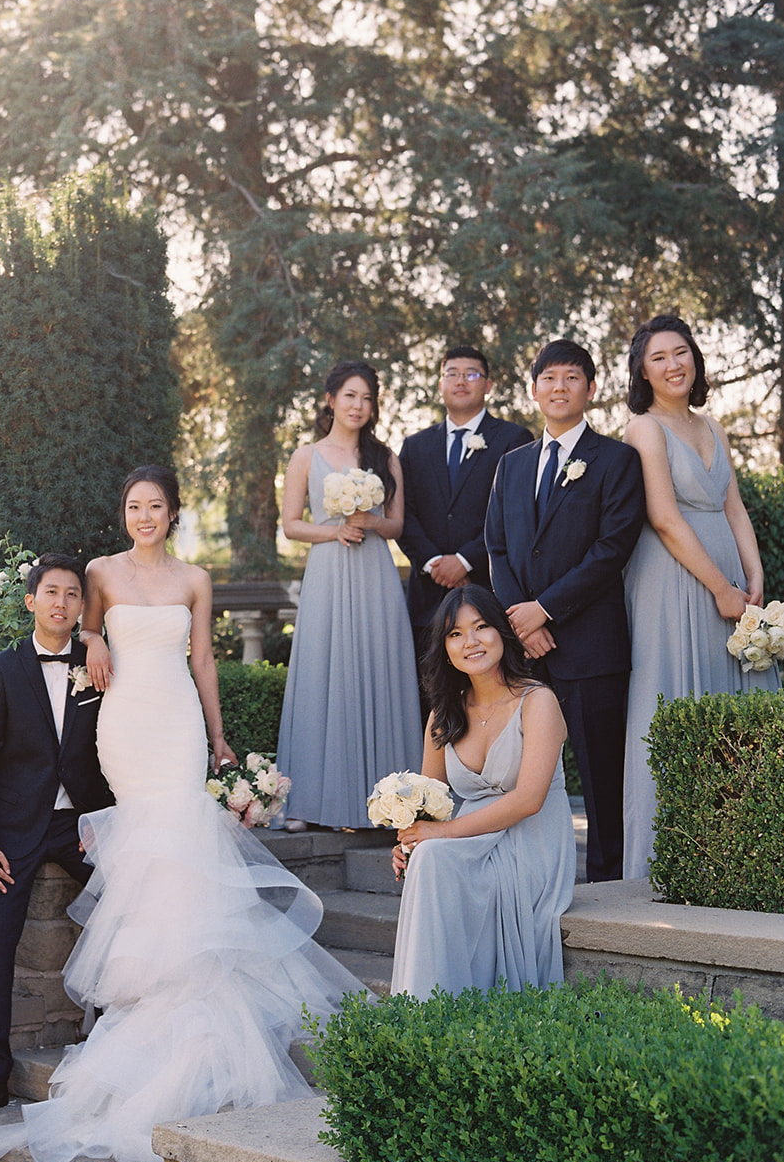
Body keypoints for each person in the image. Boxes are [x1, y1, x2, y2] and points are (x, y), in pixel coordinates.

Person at [0, 466, 362, 1162]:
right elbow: (83, 632)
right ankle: (148, 1004)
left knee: (183, 841)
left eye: (156, 506)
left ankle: (198, 1006)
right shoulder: (98, 570)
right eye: (133, 506)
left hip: (179, 720)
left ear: (173, 513)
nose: (144, 516)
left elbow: (205, 659)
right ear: (122, 513)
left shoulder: (195, 578)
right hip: (124, 726)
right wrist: (93, 640)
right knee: (145, 850)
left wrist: (217, 737)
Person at [0, 554, 114, 1121]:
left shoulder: (97, 663)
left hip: (80, 826)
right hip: (14, 832)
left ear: (81, 606)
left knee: (127, 907)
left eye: (73, 594)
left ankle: (112, 1049)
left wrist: (108, 824)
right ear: (31, 601)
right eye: (51, 592)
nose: (61, 602)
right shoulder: (1, 668)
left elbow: (115, 746)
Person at [621, 314, 780, 878]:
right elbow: (662, 516)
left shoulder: (711, 425)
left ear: (696, 359)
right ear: (643, 370)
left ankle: (741, 849)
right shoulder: (643, 427)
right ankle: (667, 857)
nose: (673, 364)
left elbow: (734, 506)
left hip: (730, 579)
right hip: (675, 578)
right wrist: (720, 586)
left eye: (681, 352)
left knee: (735, 707)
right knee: (675, 694)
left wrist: (753, 578)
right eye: (659, 357)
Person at [485, 339, 645, 882]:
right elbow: (499, 549)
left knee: (601, 777)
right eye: (549, 378)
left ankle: (609, 887)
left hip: (592, 646)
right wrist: (519, 620)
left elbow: (612, 548)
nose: (559, 387)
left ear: (591, 389)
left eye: (572, 378)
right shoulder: (511, 465)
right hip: (525, 651)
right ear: (534, 390)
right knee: (520, 775)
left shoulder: (618, 461)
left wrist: (545, 610)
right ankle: (528, 877)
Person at [390, 586, 575, 999]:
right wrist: (409, 840)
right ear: (445, 648)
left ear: (503, 633)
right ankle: (432, 1011)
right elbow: (431, 800)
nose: (470, 641)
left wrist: (438, 836)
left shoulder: (537, 701)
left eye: (481, 627)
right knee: (427, 859)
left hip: (532, 842)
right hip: (467, 839)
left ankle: (431, 1011)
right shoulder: (444, 712)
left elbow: (529, 800)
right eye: (455, 634)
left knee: (436, 856)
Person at [276, 360, 423, 830]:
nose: (358, 406)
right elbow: (291, 525)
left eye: (367, 398)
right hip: (328, 569)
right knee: (323, 670)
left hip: (375, 573)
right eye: (350, 396)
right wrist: (334, 531)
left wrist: (370, 523)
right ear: (330, 399)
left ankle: (390, 804)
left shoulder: (386, 458)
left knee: (378, 669)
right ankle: (310, 803)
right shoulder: (306, 456)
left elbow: (397, 524)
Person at [398, 343, 532, 652]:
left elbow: (515, 516)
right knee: (428, 695)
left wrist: (464, 561)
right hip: (427, 600)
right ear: (440, 383)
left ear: (488, 385)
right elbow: (404, 514)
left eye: (471, 374)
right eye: (452, 374)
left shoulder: (514, 439)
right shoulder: (415, 446)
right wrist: (434, 563)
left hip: (488, 591)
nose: (461, 381)